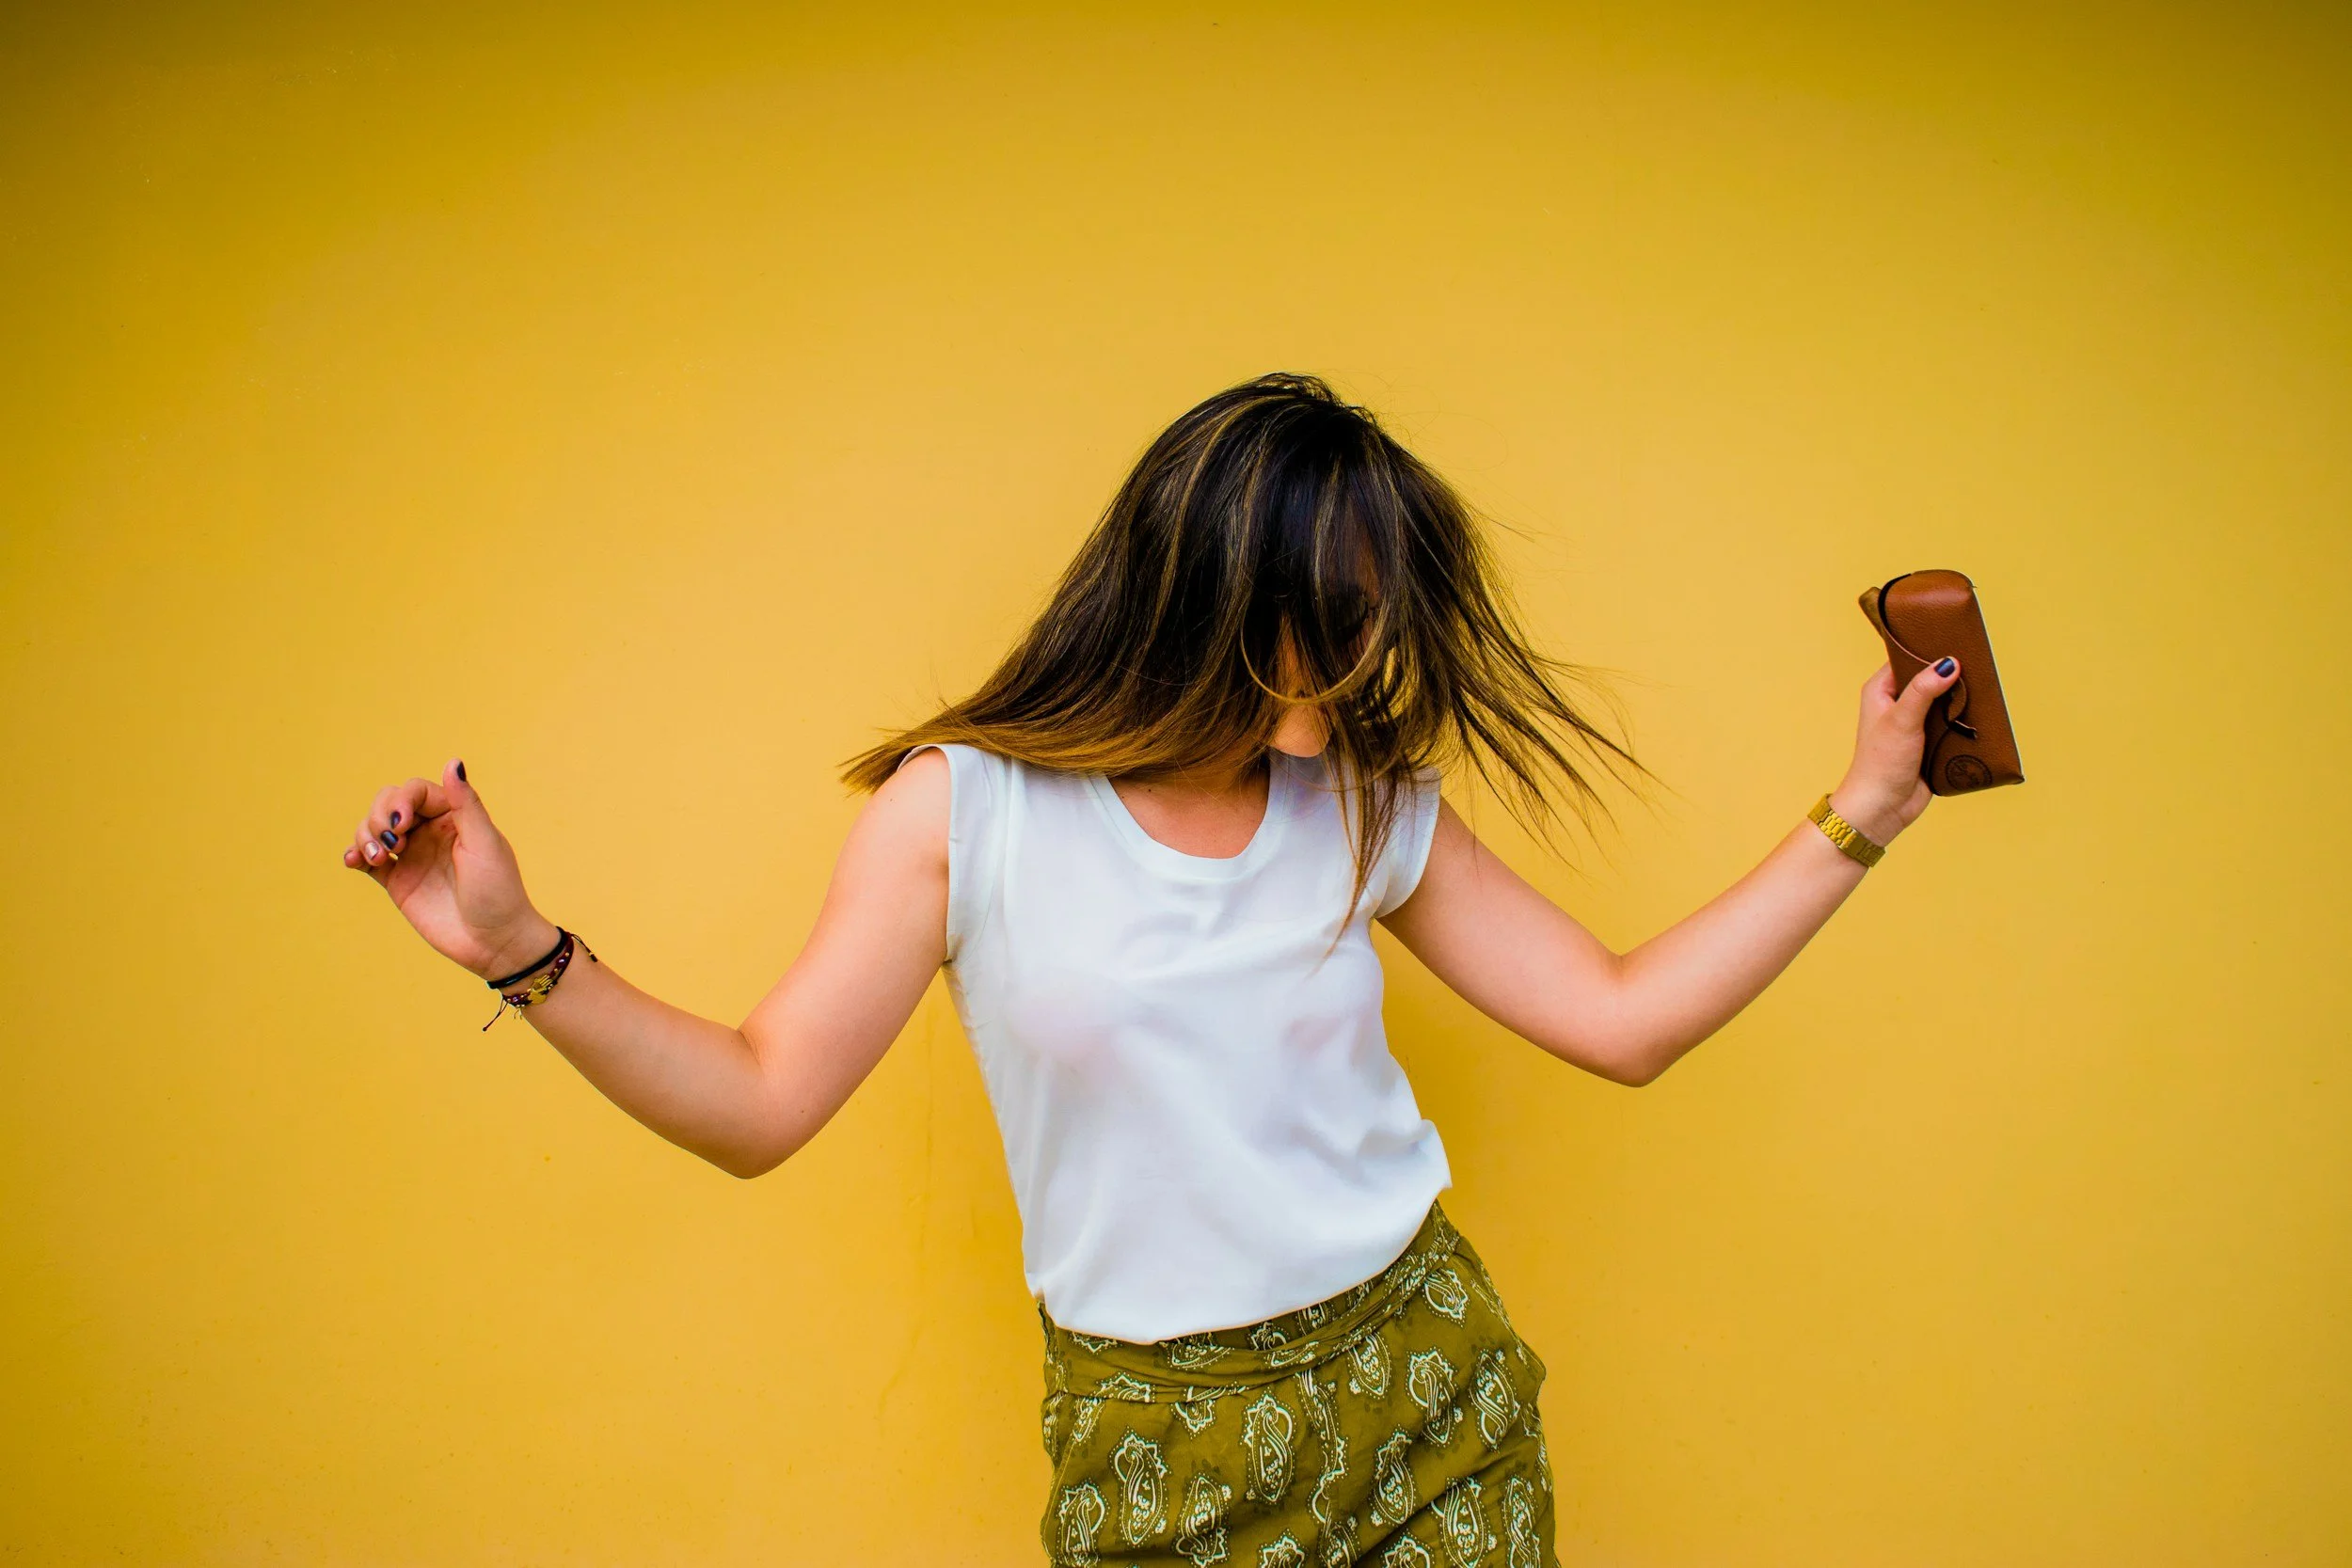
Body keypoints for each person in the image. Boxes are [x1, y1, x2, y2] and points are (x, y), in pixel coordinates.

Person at [341, 372, 1961, 1566]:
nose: (1378, 653)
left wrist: (1867, 808)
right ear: (1215, 598)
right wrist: (521, 952)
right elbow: (760, 1103)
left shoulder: (1362, 797)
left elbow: (1623, 1018)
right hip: (1157, 1448)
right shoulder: (963, 811)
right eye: (1348, 614)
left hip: (1429, 1398)